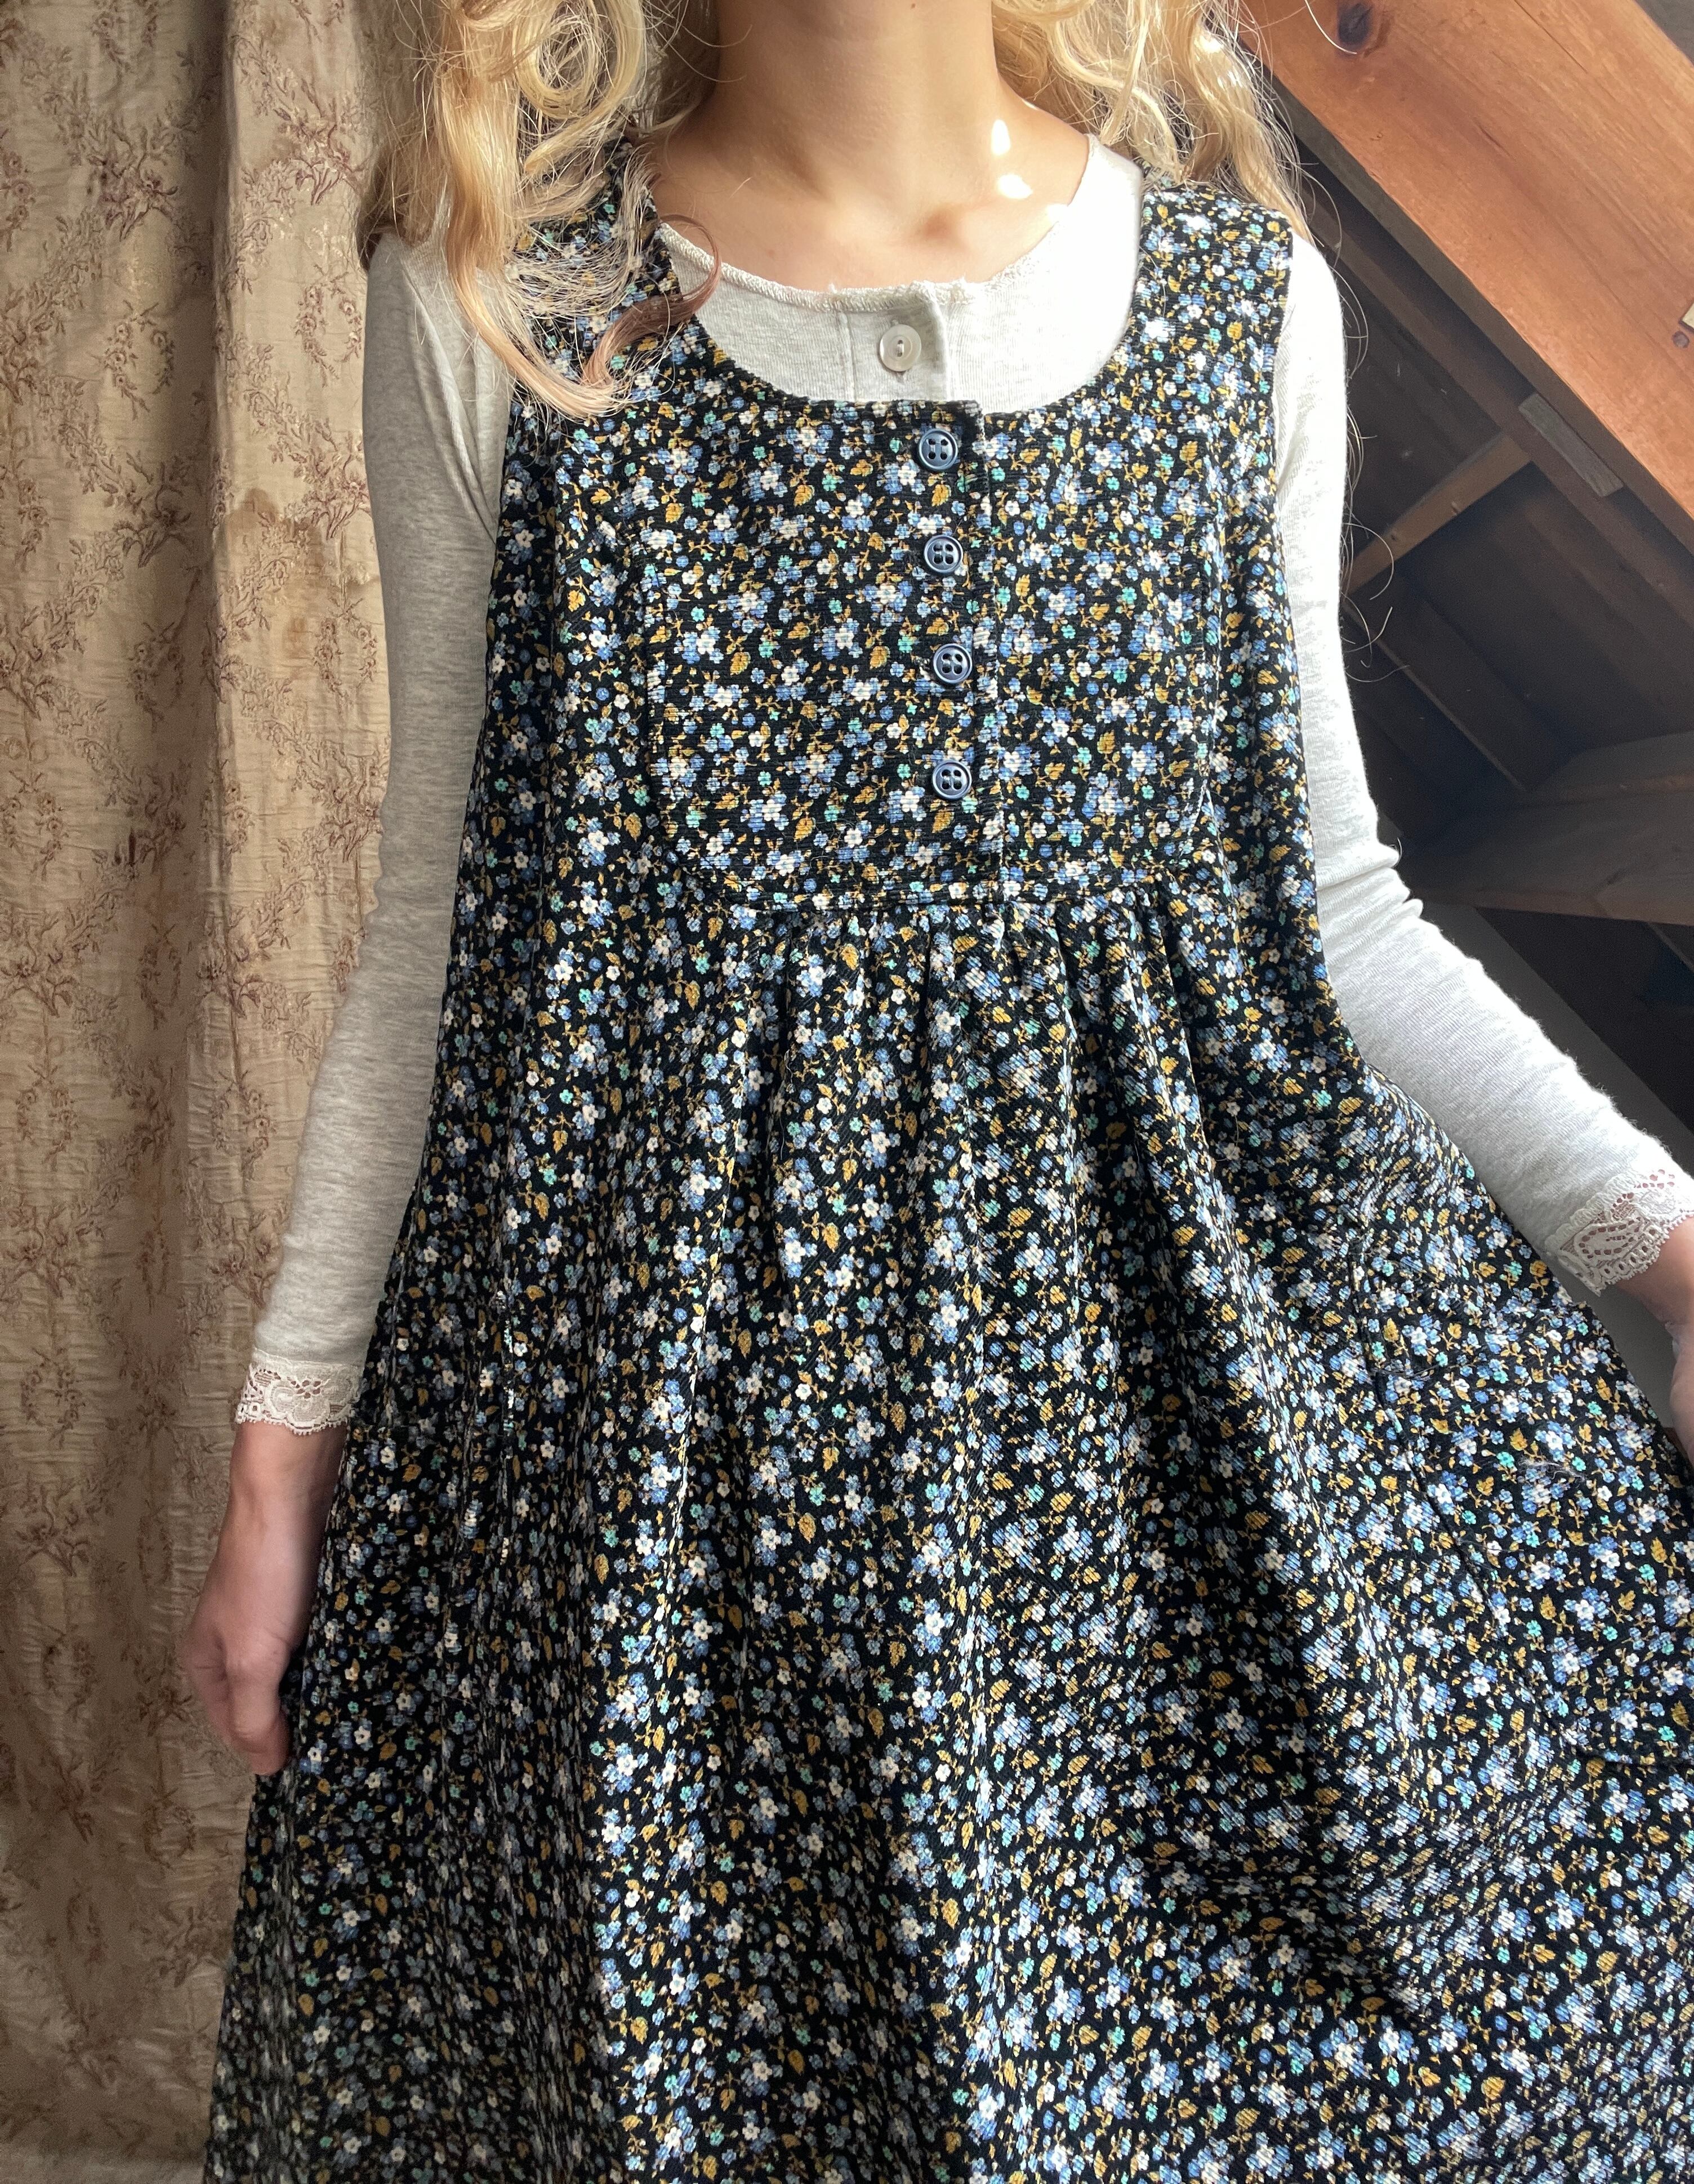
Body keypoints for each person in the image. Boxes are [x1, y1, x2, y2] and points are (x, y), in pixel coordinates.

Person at [182, 0, 1694, 2172]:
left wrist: (1673, 1256)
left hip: (1135, 1490)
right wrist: (283, 1448)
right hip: (658, 1510)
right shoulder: (507, 305)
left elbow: (1332, 912)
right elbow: (438, 927)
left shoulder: (1236, 310)